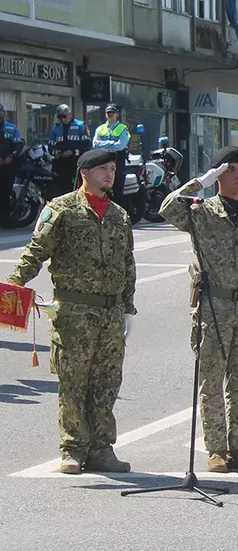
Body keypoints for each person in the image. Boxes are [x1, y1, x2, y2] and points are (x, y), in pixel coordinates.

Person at [8, 148, 137, 474]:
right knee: (74, 383)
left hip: (110, 314)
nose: (110, 174)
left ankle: (102, 448)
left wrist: (128, 307)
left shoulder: (120, 215)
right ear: (85, 173)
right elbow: (36, 251)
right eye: (103, 169)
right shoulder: (61, 209)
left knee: (107, 383)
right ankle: (73, 449)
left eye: (112, 169)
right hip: (75, 313)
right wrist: (13, 285)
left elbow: (128, 264)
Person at [159, 146, 238, 474]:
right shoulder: (201, 211)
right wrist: (200, 182)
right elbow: (167, 208)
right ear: (218, 175)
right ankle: (216, 449)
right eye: (231, 170)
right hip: (214, 307)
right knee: (211, 380)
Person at [46, 105, 92, 197]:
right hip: (61, 163)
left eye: (64, 116)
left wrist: (73, 151)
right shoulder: (56, 128)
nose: (62, 119)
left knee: (79, 187)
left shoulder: (80, 125)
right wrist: (56, 152)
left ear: (70, 114)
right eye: (60, 117)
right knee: (61, 189)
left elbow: (87, 145)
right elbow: (51, 145)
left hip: (76, 161)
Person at [0, 108, 24, 222]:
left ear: (3, 113)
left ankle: (5, 219)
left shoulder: (11, 127)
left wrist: (11, 156)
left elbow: (18, 145)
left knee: (5, 192)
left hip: (7, 166)